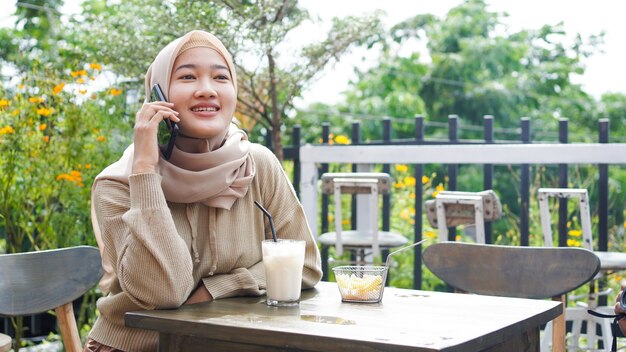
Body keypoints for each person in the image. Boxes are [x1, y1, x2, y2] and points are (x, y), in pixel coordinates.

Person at [84, 30, 322, 352]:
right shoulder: (118, 184)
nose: (206, 90)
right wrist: (145, 174)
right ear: (157, 94)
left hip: (230, 343)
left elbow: (304, 265)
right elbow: (163, 292)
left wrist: (219, 287)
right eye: (187, 77)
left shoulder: (257, 165)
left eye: (220, 77)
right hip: (137, 346)